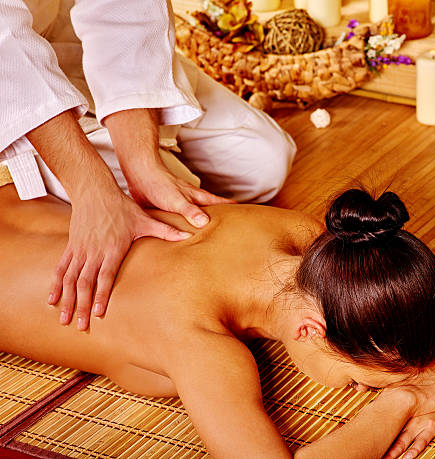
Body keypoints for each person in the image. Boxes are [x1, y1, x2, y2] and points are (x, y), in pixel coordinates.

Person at [0, 184, 435, 458]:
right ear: (309, 331)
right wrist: (405, 401)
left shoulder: (332, 248)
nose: (352, 392)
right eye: (357, 382)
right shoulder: (200, 341)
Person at [0, 0, 296, 331]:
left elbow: (121, 8)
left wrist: (143, 164)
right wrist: (93, 191)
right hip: (7, 79)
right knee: (146, 236)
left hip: (67, 33)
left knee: (262, 162)